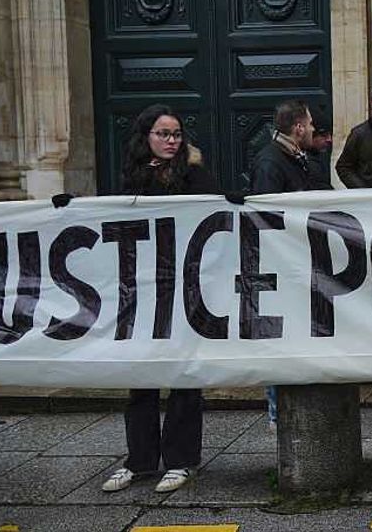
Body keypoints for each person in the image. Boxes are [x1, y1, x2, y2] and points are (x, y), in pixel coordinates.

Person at [101, 104, 220, 494]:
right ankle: (140, 461)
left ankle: (181, 460)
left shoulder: (195, 174)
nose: (171, 141)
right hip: (145, 288)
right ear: (146, 137)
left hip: (185, 285)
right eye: (163, 134)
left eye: (176, 134)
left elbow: (212, 211)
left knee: (184, 376)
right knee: (142, 377)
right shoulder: (132, 175)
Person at [249, 100, 333, 433]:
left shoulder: (299, 158)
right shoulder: (271, 162)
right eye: (310, 124)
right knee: (282, 338)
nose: (313, 129)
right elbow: (270, 218)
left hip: (302, 261)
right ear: (298, 127)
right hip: (284, 265)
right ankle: (276, 412)